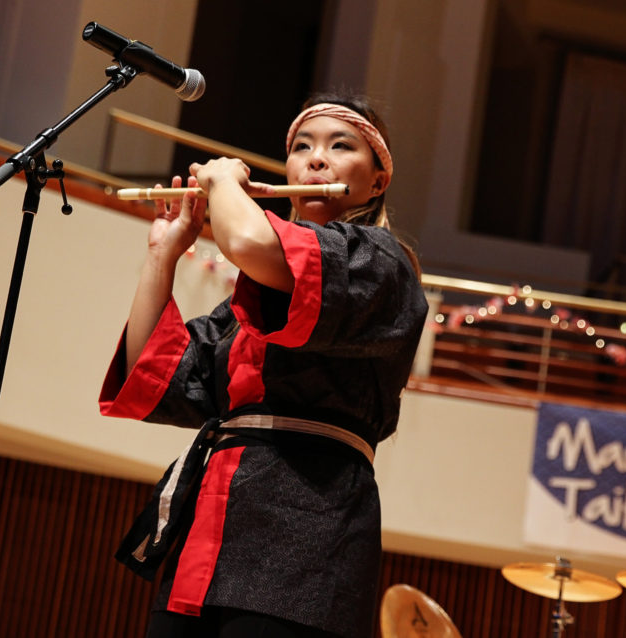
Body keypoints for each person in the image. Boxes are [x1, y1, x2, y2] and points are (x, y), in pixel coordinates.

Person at [99, 93, 429, 637]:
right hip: (208, 533)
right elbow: (154, 374)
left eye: (339, 146)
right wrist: (163, 254)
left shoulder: (382, 261)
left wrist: (224, 182)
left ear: (377, 182)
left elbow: (248, 238)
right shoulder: (246, 302)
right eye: (302, 147)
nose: (315, 159)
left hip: (307, 539)